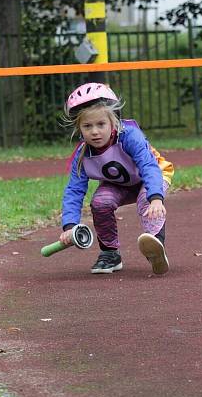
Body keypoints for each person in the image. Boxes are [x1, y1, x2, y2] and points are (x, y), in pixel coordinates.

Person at [59, 82, 174, 275]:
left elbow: (149, 166)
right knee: (100, 202)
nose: (95, 131)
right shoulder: (82, 154)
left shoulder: (129, 136)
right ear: (79, 128)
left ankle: (155, 246)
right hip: (119, 184)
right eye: (87, 126)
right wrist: (70, 226)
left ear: (113, 121)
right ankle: (110, 254)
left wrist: (156, 197)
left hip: (153, 176)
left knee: (146, 199)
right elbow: (74, 191)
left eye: (101, 124)